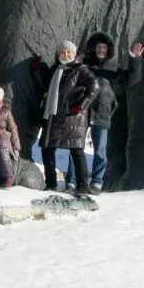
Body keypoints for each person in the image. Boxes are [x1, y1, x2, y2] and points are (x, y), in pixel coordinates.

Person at [64, 33, 144, 194]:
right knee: (76, 147)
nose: (101, 50)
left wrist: (135, 60)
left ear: (108, 50)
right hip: (81, 111)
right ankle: (72, 182)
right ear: (94, 48)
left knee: (100, 150)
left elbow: (132, 80)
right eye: (99, 47)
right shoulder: (83, 66)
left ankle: (96, 183)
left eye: (104, 47)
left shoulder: (113, 69)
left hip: (102, 112)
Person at [33, 40, 100, 195]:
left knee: (76, 150)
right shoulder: (55, 69)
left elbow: (94, 86)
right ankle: (50, 184)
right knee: (47, 148)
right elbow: (45, 84)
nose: (66, 54)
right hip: (54, 114)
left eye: (69, 52)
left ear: (74, 54)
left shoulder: (81, 69)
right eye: (63, 52)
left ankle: (82, 186)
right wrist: (38, 68)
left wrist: (82, 105)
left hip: (73, 117)